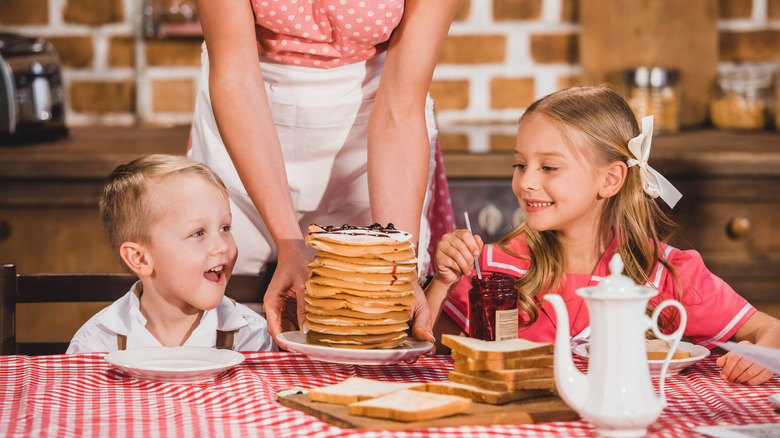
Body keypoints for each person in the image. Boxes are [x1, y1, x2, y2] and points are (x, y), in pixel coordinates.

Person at [426, 86, 780, 385]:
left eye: (549, 167)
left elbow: (769, 331)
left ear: (610, 179)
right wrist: (442, 281)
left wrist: (763, 355)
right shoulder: (497, 268)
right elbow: (428, 346)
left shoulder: (663, 273)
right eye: (520, 164)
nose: (526, 181)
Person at [188, 0, 460, 347]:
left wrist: (394, 262)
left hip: (371, 133)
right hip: (246, 129)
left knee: (363, 311)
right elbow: (236, 78)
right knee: (229, 317)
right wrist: (288, 243)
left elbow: (399, 108)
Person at [67, 154, 276, 354]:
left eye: (225, 228)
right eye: (198, 233)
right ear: (139, 258)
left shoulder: (252, 337)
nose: (222, 246)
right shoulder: (97, 343)